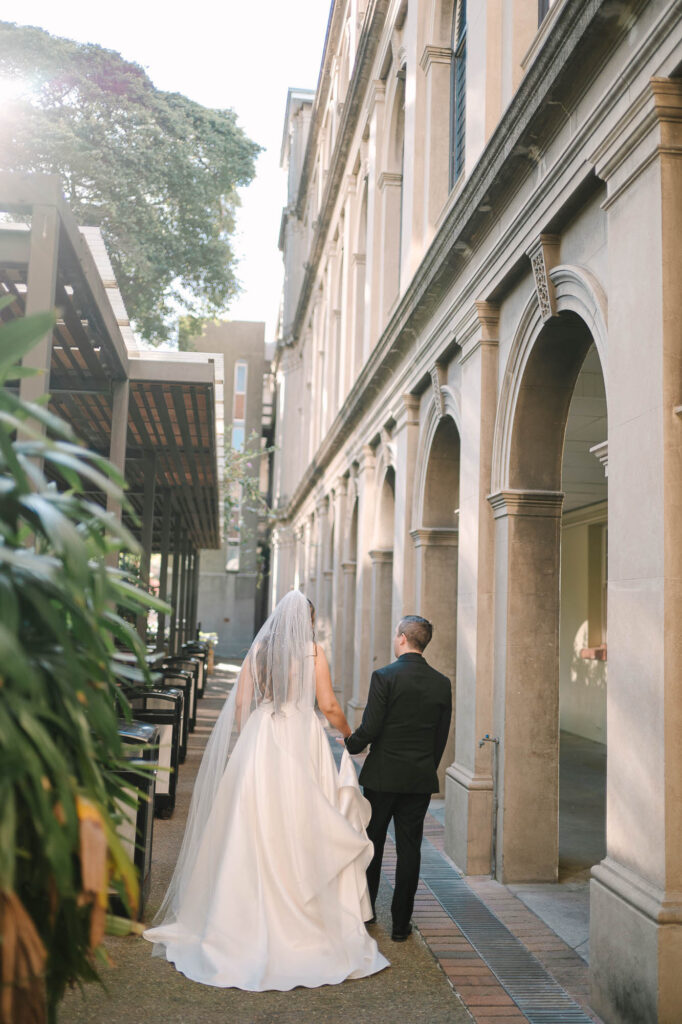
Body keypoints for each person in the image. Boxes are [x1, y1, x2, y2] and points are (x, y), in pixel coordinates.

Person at [144, 590, 389, 990]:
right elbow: (327, 704)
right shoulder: (312, 651)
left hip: (263, 734)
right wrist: (347, 734)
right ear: (307, 620)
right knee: (301, 818)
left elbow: (242, 702)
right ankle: (304, 906)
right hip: (301, 736)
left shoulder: (258, 651)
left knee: (252, 821)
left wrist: (248, 742)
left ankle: (236, 914)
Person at [344, 616, 452, 942]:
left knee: (372, 843)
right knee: (410, 851)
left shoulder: (384, 676)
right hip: (418, 778)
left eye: (396, 635)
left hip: (382, 777)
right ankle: (401, 925)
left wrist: (351, 744)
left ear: (403, 638)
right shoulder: (441, 682)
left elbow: (372, 726)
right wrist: (424, 767)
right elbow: (440, 737)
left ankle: (368, 913)